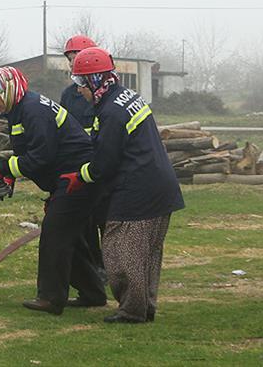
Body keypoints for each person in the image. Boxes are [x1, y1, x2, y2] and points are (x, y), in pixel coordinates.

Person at [60, 47, 185, 324]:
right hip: (159, 188)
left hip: (139, 192)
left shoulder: (112, 112)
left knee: (120, 255)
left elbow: (105, 163)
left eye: (81, 83)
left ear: (95, 80)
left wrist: (79, 176)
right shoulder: (125, 98)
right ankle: (144, 307)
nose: (78, 90)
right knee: (147, 257)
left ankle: (131, 311)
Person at [0, 66, 106, 315]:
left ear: (10, 89)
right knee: (69, 237)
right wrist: (9, 176)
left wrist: (4, 167)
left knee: (54, 236)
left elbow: (41, 157)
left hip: (75, 178)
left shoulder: (32, 110)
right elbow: (27, 152)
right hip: (66, 178)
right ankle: (93, 293)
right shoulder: (20, 109)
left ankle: (50, 298)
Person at [58, 35, 106, 281]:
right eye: (69, 58)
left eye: (74, 56)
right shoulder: (68, 95)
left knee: (104, 216)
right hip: (78, 163)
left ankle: (111, 263)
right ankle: (95, 264)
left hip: (101, 161)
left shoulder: (104, 94)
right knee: (85, 220)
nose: (71, 63)